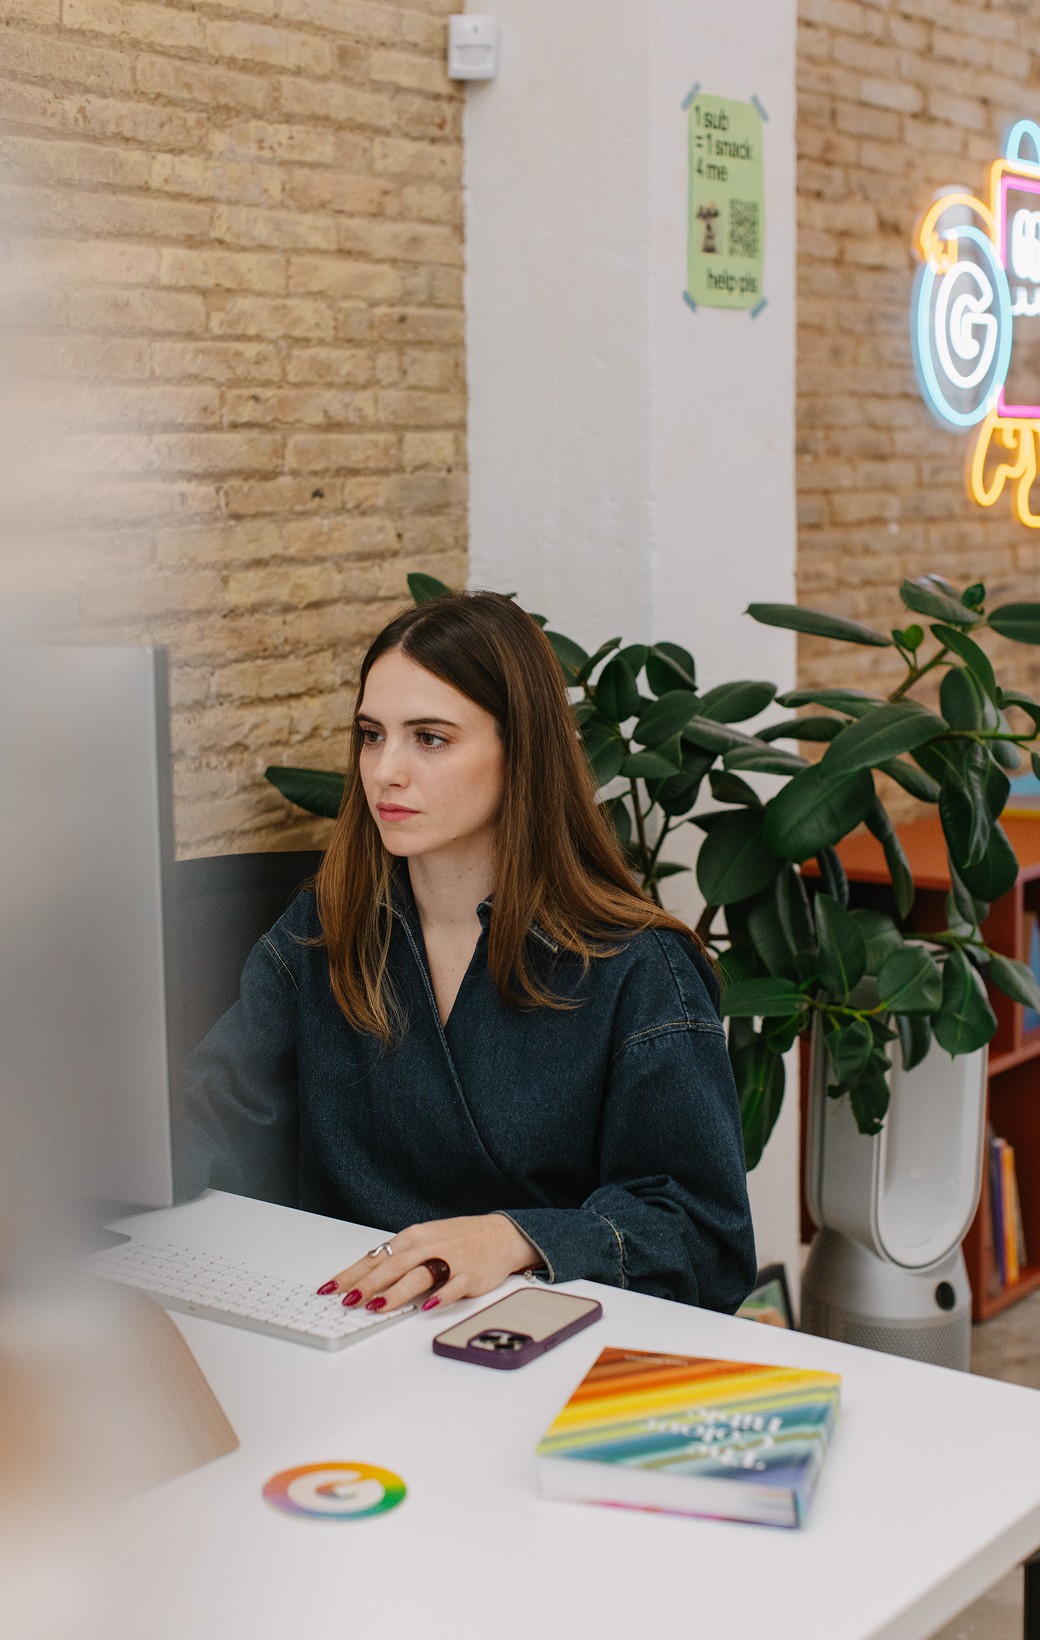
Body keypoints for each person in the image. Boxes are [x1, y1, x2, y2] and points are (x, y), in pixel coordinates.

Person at [185, 592, 756, 1317]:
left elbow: (706, 1241)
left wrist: (517, 1238)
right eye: (371, 734)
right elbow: (206, 1122)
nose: (385, 770)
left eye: (430, 738)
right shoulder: (323, 932)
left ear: (520, 752)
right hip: (341, 1330)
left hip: (536, 1352)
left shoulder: (642, 970)